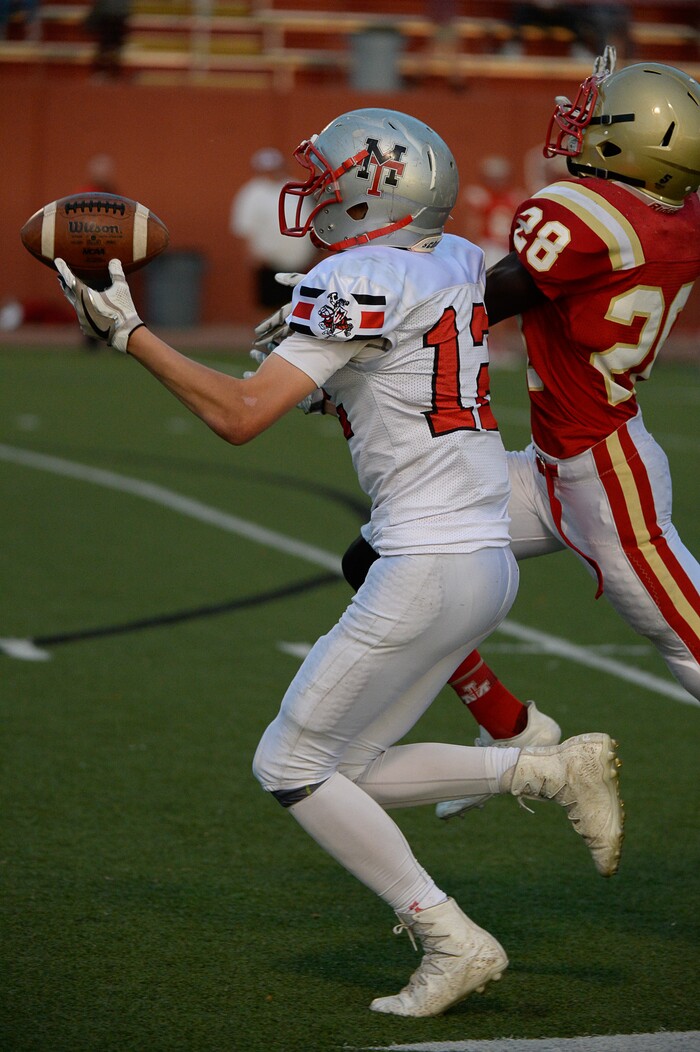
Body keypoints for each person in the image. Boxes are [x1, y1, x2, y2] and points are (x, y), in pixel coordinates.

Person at [55, 108, 623, 1019]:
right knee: (348, 768)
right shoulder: (457, 259)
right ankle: (546, 769)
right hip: (478, 553)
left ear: (372, 186)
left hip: (427, 561)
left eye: (326, 178)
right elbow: (404, 366)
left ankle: (449, 935)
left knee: (291, 765)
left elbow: (241, 416)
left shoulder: (357, 272)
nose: (313, 192)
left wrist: (129, 334)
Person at [303, 52, 700, 823]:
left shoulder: (587, 218)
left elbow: (481, 301)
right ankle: (513, 724)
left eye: (599, 113)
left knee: (691, 646)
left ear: (640, 141)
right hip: (555, 468)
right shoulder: (670, 216)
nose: (579, 121)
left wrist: (356, 324)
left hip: (607, 475)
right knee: (372, 557)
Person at [230, 146, 316, 311]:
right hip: (269, 262)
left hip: (299, 261)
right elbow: (245, 227)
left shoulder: (296, 188)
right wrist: (251, 255)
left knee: (296, 305)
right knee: (269, 306)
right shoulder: (252, 193)